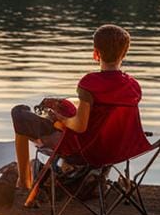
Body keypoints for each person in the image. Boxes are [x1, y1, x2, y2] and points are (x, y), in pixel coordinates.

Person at [11, 24, 144, 196]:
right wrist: (65, 105)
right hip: (114, 150)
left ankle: (23, 182)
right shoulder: (133, 86)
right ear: (125, 54)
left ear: (96, 53)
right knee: (59, 115)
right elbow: (104, 112)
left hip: (81, 152)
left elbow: (80, 126)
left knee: (19, 113)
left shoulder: (89, 83)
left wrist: (60, 118)